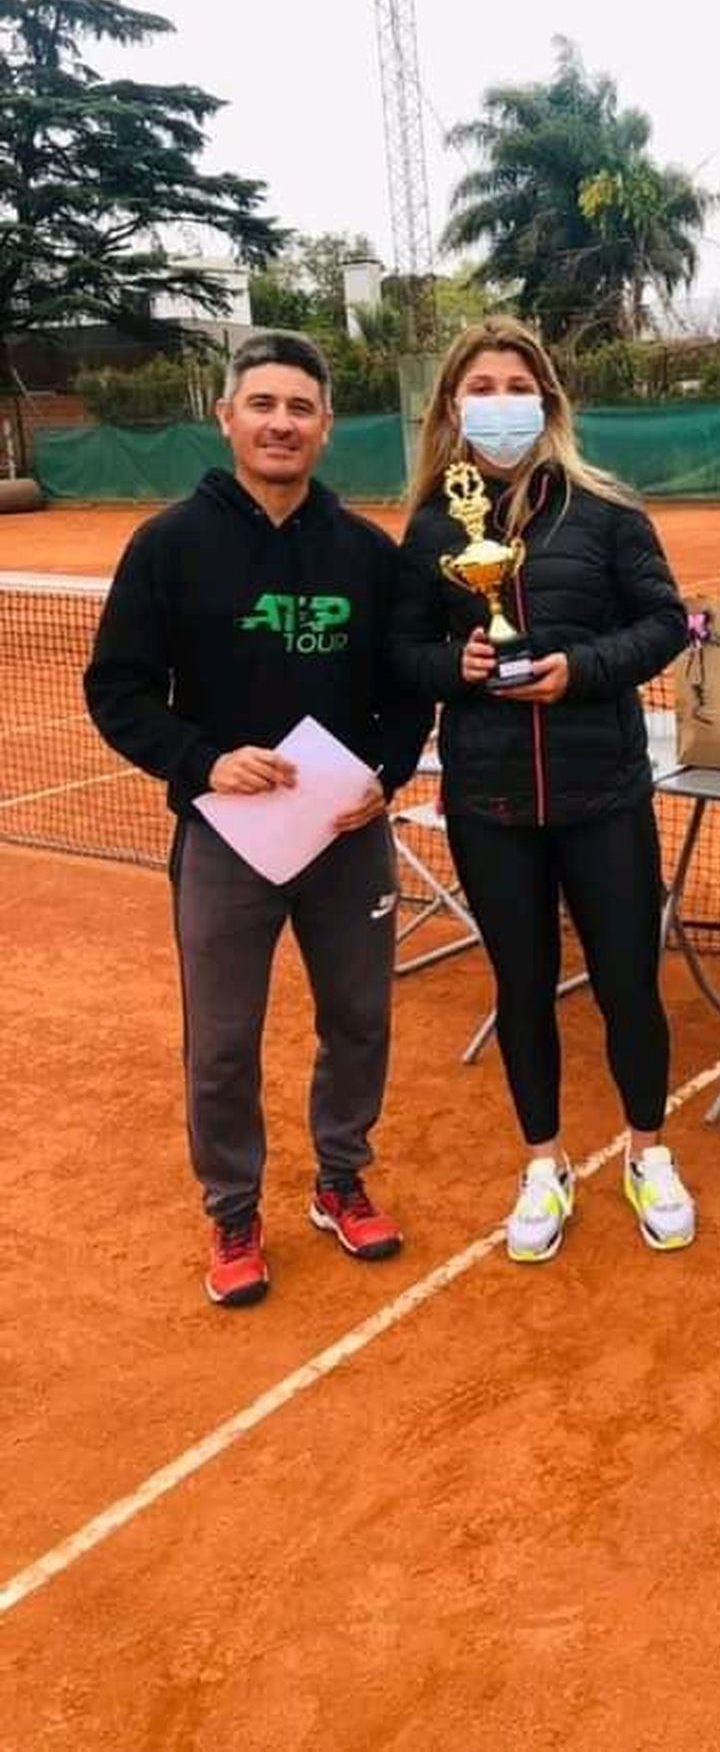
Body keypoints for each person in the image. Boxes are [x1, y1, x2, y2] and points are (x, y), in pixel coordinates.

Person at [84, 332, 432, 1308]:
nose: (282, 422)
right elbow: (118, 689)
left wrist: (387, 773)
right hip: (224, 838)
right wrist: (203, 761)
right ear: (227, 417)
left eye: (302, 407)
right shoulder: (167, 546)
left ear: (326, 428)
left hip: (345, 835)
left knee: (359, 1019)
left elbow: (406, 690)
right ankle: (233, 1209)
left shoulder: (367, 553)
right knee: (225, 1040)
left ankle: (340, 1179)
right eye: (264, 404)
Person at [391, 318, 693, 1264]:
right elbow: (401, 654)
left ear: (549, 400)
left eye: (516, 383)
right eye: (479, 385)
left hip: (601, 792)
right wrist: (459, 662)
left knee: (629, 986)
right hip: (491, 804)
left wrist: (582, 667)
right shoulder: (435, 525)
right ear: (451, 405)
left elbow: (665, 622)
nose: (499, 400)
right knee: (520, 988)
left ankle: (649, 1151)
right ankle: (544, 1163)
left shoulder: (605, 509)